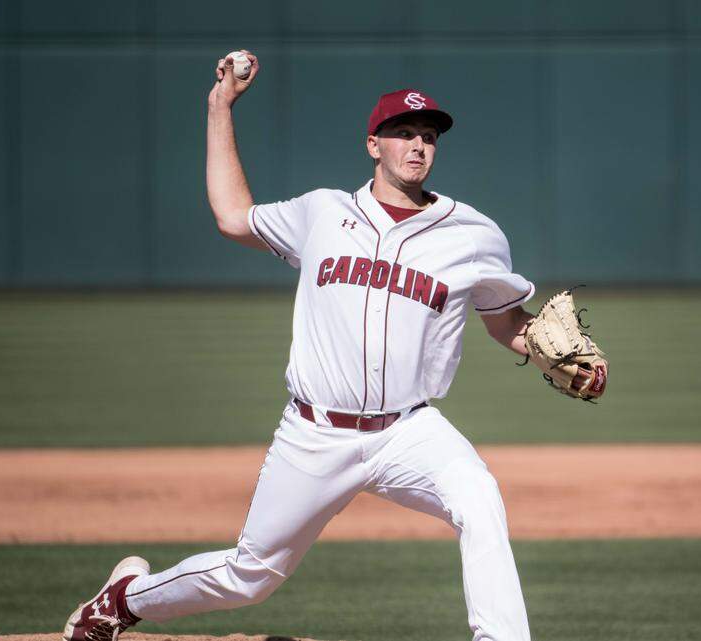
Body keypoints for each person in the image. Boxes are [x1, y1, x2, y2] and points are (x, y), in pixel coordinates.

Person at [63, 50, 605, 641]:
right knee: (252, 576)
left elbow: (508, 322)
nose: (418, 146)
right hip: (314, 432)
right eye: (403, 134)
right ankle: (121, 603)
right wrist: (220, 107)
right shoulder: (322, 213)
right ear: (374, 144)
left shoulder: (473, 235)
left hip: (408, 430)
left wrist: (556, 353)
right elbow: (232, 216)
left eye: (428, 136)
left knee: (479, 501)